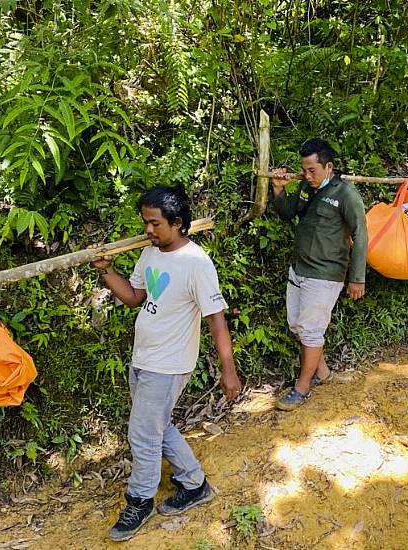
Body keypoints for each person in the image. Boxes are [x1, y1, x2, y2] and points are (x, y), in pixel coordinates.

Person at [92, 185, 242, 541]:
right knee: (156, 426)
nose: (148, 230)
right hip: (143, 355)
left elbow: (216, 319)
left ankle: (139, 501)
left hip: (170, 362)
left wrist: (228, 369)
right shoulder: (151, 254)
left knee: (143, 433)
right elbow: (135, 298)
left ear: (177, 223)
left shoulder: (197, 263)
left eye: (155, 224)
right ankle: (194, 484)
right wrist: (106, 272)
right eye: (145, 223)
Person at [270, 138, 367, 411]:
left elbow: (361, 235)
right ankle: (322, 373)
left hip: (325, 274)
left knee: (311, 331)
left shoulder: (346, 194)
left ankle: (302, 388)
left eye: (313, 170)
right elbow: (289, 213)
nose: (307, 175)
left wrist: (357, 278)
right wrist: (278, 191)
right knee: (297, 325)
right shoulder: (305, 187)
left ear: (329, 167)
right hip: (299, 269)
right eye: (304, 170)